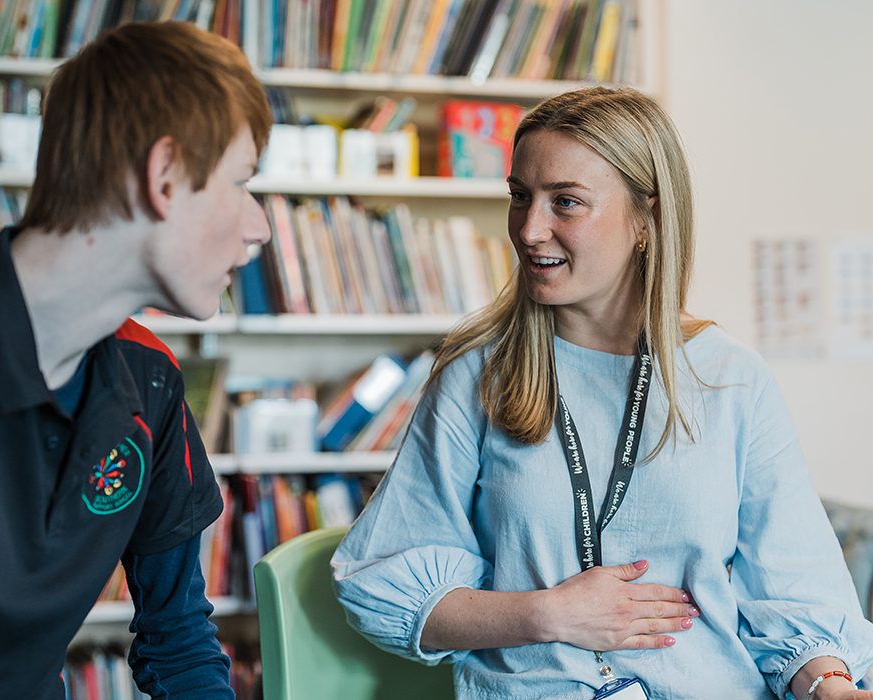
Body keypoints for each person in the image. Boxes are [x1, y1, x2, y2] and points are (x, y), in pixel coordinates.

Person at [331, 87, 873, 700]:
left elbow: (795, 588)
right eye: (519, 197)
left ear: (649, 217)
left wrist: (829, 685)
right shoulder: (475, 375)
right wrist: (546, 614)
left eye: (566, 202)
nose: (530, 230)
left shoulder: (732, 380)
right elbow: (380, 581)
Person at [0, 22, 271, 700]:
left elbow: (178, 639)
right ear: (165, 177)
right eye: (241, 183)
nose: (260, 226)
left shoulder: (152, 381)